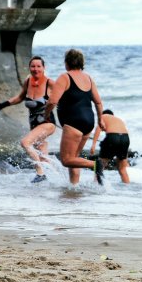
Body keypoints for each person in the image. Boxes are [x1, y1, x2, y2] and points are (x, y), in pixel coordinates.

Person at [42, 49, 105, 186]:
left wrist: (46, 115)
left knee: (66, 160)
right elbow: (98, 102)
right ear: (82, 62)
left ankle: (95, 165)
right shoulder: (88, 78)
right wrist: (101, 120)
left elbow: (52, 101)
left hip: (73, 122)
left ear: (67, 63)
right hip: (89, 121)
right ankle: (74, 188)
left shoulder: (65, 77)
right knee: (74, 158)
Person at [0, 56, 57, 183]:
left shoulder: (50, 83)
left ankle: (40, 174)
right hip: (34, 124)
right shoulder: (28, 81)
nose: (35, 69)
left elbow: (64, 97)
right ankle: (59, 178)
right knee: (43, 157)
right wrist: (3, 104)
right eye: (33, 66)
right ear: (29, 68)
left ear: (44, 68)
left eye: (39, 66)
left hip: (47, 123)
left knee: (25, 143)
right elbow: (20, 97)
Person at [90, 109, 131, 184]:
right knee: (122, 169)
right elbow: (122, 138)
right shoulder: (118, 120)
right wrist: (126, 158)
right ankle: (127, 188)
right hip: (125, 138)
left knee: (100, 166)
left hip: (113, 137)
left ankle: (96, 187)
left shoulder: (103, 116)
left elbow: (98, 128)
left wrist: (93, 144)